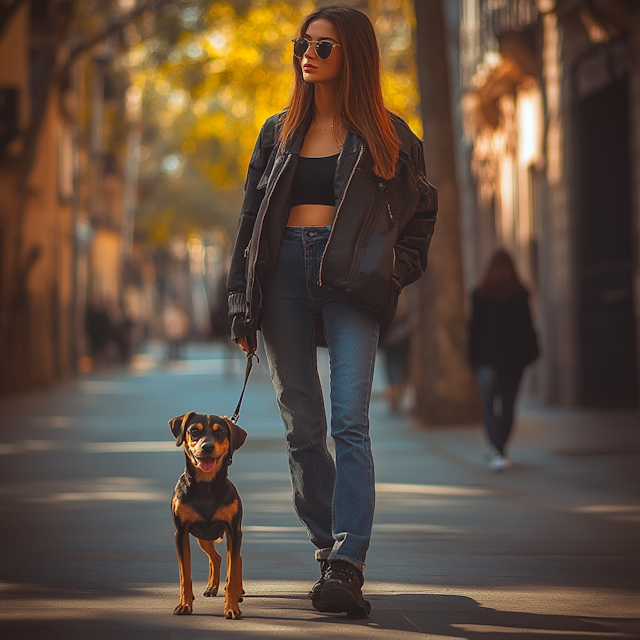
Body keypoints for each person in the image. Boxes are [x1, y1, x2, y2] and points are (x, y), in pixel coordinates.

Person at [227, 5, 437, 617]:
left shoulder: (389, 137)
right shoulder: (277, 131)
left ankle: (349, 561)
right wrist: (242, 300)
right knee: (302, 427)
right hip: (284, 277)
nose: (308, 55)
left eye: (323, 46)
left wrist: (392, 272)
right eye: (304, 44)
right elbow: (249, 223)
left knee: (350, 421)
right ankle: (328, 550)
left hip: (351, 284)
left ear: (354, 56)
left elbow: (421, 221)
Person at [468, 249, 540, 471]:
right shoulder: (520, 293)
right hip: (513, 359)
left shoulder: (480, 293)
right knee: (508, 406)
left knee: (489, 406)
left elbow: (474, 329)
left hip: (487, 359)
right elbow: (527, 327)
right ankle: (501, 448)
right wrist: (531, 353)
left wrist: (472, 358)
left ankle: (496, 449)